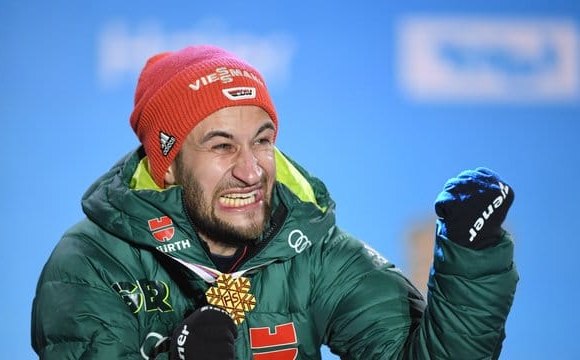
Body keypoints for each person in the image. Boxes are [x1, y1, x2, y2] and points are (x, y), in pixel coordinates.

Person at [31, 45, 518, 360]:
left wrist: (470, 258)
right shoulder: (90, 262)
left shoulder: (311, 247)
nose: (251, 169)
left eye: (262, 141)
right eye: (222, 146)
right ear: (169, 166)